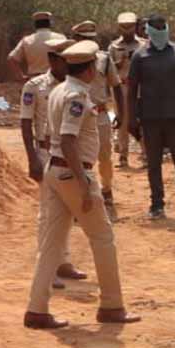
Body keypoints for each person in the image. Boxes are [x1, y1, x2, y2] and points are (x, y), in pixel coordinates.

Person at [23, 40, 142, 330]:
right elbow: (68, 139)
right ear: (89, 69)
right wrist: (85, 184)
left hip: (55, 170)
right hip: (72, 172)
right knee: (102, 238)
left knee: (51, 245)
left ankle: (37, 309)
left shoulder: (59, 90)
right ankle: (111, 304)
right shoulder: (76, 95)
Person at [19, 37, 87, 289]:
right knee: (47, 213)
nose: (68, 64)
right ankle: (47, 267)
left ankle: (63, 261)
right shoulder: (34, 87)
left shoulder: (75, 87)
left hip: (70, 153)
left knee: (67, 210)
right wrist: (32, 157)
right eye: (63, 59)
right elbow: (25, 122)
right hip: (46, 152)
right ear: (52, 60)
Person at [127, 14, 175, 219]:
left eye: (162, 28)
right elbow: (132, 90)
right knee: (153, 163)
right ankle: (157, 205)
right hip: (150, 118)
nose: (160, 32)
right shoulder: (139, 56)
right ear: (148, 31)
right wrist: (131, 118)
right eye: (156, 28)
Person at [71, 20, 123, 217]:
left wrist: (121, 113)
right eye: (83, 39)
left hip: (100, 115)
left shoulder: (104, 59)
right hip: (76, 115)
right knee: (78, 157)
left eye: (90, 39)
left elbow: (116, 86)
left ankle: (107, 190)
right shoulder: (68, 61)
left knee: (104, 156)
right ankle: (80, 196)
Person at [108, 12, 143, 168]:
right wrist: (120, 62)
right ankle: (123, 156)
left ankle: (146, 153)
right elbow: (107, 69)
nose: (127, 31)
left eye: (130, 27)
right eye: (124, 28)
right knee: (122, 120)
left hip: (141, 88)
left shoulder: (143, 45)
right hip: (121, 87)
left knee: (142, 120)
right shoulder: (114, 46)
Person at [7, 11, 65, 82]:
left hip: (34, 80)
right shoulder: (61, 38)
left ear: (35, 25)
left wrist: (20, 76)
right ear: (49, 23)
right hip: (56, 80)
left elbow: (11, 58)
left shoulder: (26, 40)